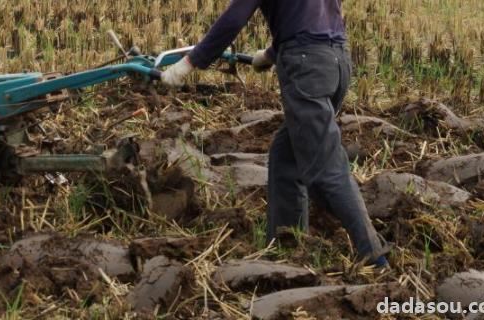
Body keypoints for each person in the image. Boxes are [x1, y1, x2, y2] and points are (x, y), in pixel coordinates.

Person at [161, 0, 390, 268]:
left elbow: (234, 19)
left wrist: (189, 63)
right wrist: (271, 54)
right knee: (286, 157)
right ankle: (287, 243)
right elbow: (315, 16)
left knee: (327, 169)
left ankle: (375, 257)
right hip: (337, 63)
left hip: (307, 69)